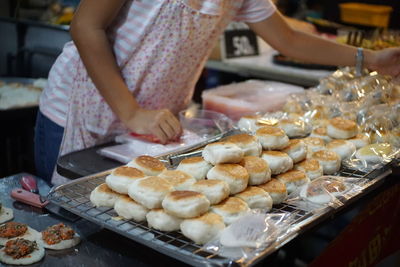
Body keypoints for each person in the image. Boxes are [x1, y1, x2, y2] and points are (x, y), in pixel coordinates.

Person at [35, 0, 400, 185]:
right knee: (75, 228)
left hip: (155, 126)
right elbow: (86, 26)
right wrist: (131, 112)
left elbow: (286, 39)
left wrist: (369, 59)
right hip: (82, 109)